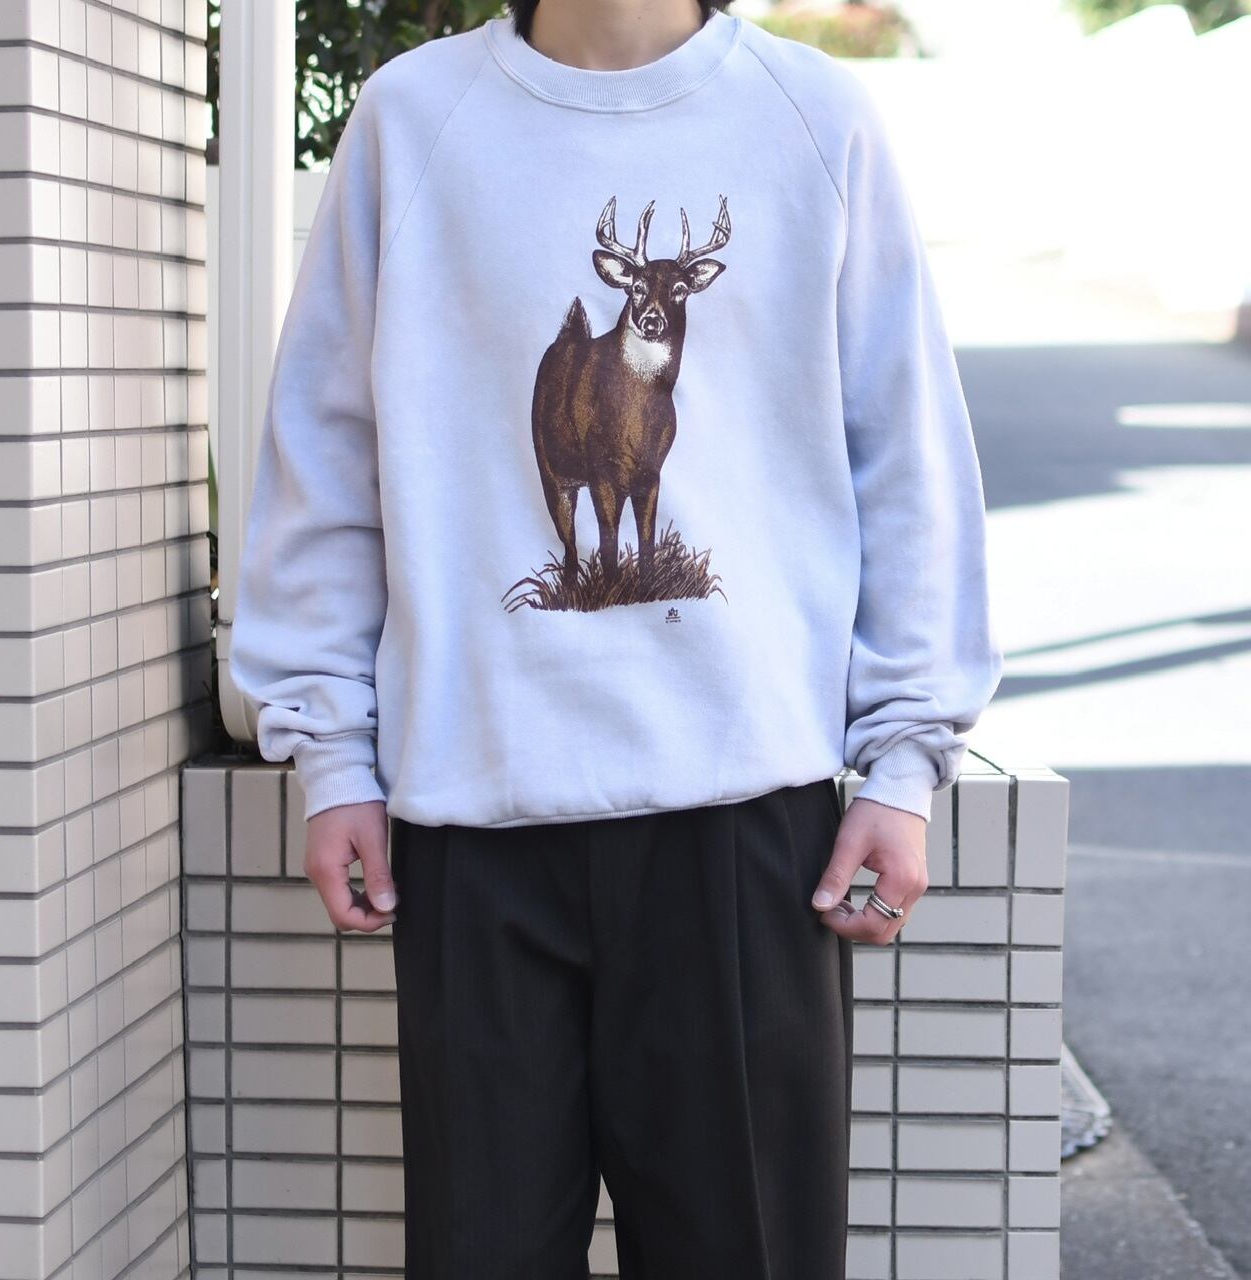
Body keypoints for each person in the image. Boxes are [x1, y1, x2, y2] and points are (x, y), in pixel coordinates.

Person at [228, 0, 1005, 1275]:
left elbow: (904, 455)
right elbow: (326, 451)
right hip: (473, 822)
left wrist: (904, 761)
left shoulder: (815, 121)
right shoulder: (412, 122)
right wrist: (331, 751)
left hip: (745, 826)